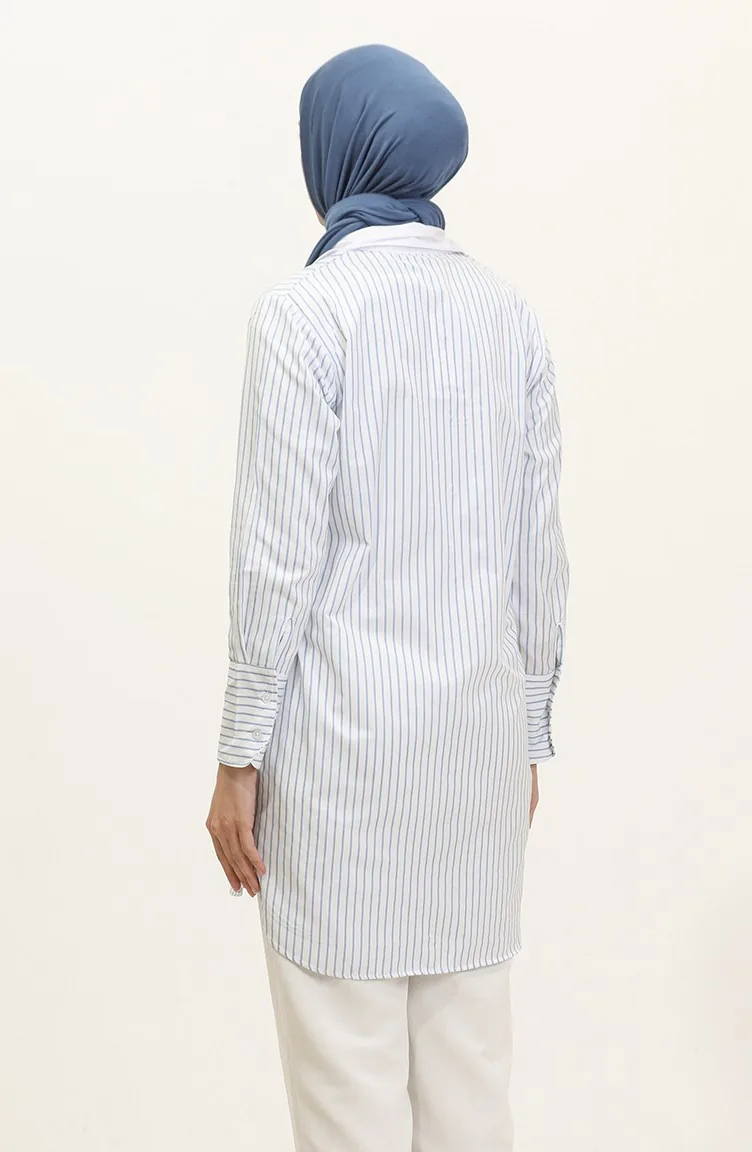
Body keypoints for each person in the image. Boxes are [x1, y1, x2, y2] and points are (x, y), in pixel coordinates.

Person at [206, 43, 569, 1152]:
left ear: (335, 150)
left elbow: (276, 558)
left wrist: (238, 754)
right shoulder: (509, 317)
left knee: (345, 1111)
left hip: (339, 770)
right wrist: (527, 734)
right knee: (470, 1105)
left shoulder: (304, 314)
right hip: (472, 765)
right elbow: (538, 556)